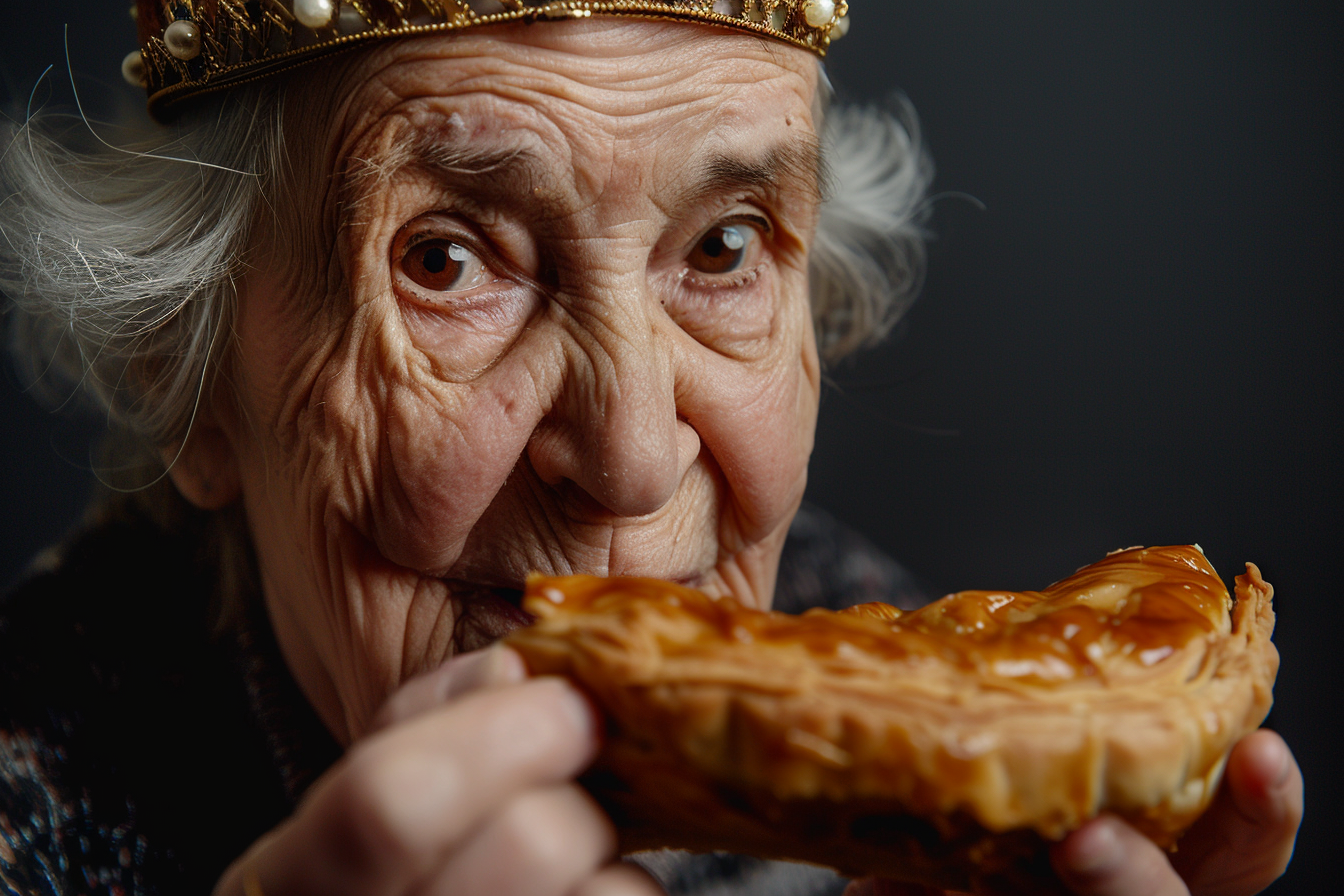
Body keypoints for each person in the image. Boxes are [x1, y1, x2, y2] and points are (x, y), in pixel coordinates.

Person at [0, 2, 1302, 894]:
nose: (627, 460)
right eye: (447, 260)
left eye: (723, 248)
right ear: (186, 376)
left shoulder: (966, 783)